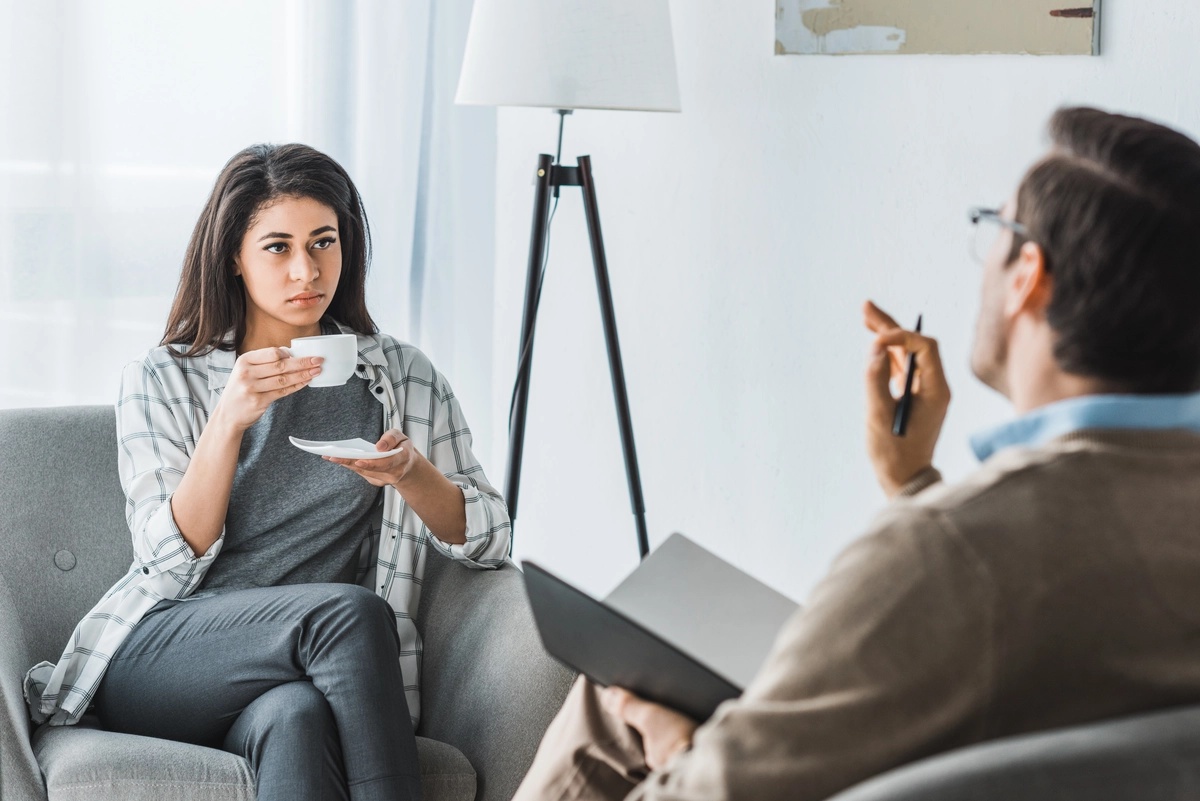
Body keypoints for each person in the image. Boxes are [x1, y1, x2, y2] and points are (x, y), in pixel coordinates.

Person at [512, 106, 1200, 801]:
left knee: (614, 699)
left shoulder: (947, 553)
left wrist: (677, 748)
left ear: (1028, 274)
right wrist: (913, 481)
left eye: (995, 225)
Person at [23, 143, 511, 801]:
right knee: (347, 613)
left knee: (298, 719)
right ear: (235, 257)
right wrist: (228, 420)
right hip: (167, 654)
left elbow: (491, 540)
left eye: (323, 242)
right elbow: (165, 563)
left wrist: (410, 473)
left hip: (306, 675)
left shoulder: (403, 378)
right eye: (278, 247)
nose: (306, 270)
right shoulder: (163, 377)